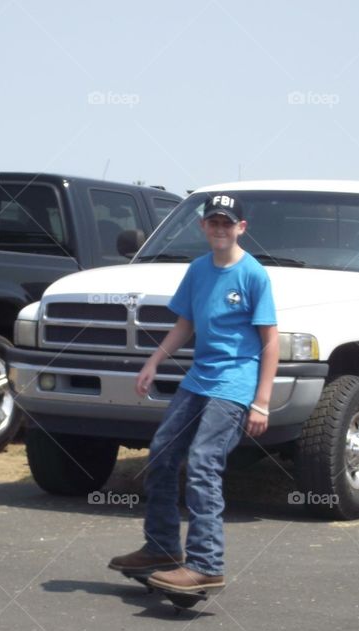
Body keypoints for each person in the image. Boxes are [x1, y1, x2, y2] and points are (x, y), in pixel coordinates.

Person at [109, 192, 279, 593]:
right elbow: (185, 325)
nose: (220, 229)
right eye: (213, 222)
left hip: (235, 385)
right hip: (199, 379)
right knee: (161, 455)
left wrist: (262, 402)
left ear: (241, 228)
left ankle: (206, 563)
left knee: (203, 461)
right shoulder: (198, 270)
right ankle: (162, 549)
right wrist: (154, 361)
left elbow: (270, 342)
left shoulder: (253, 274)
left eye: (227, 223)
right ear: (203, 227)